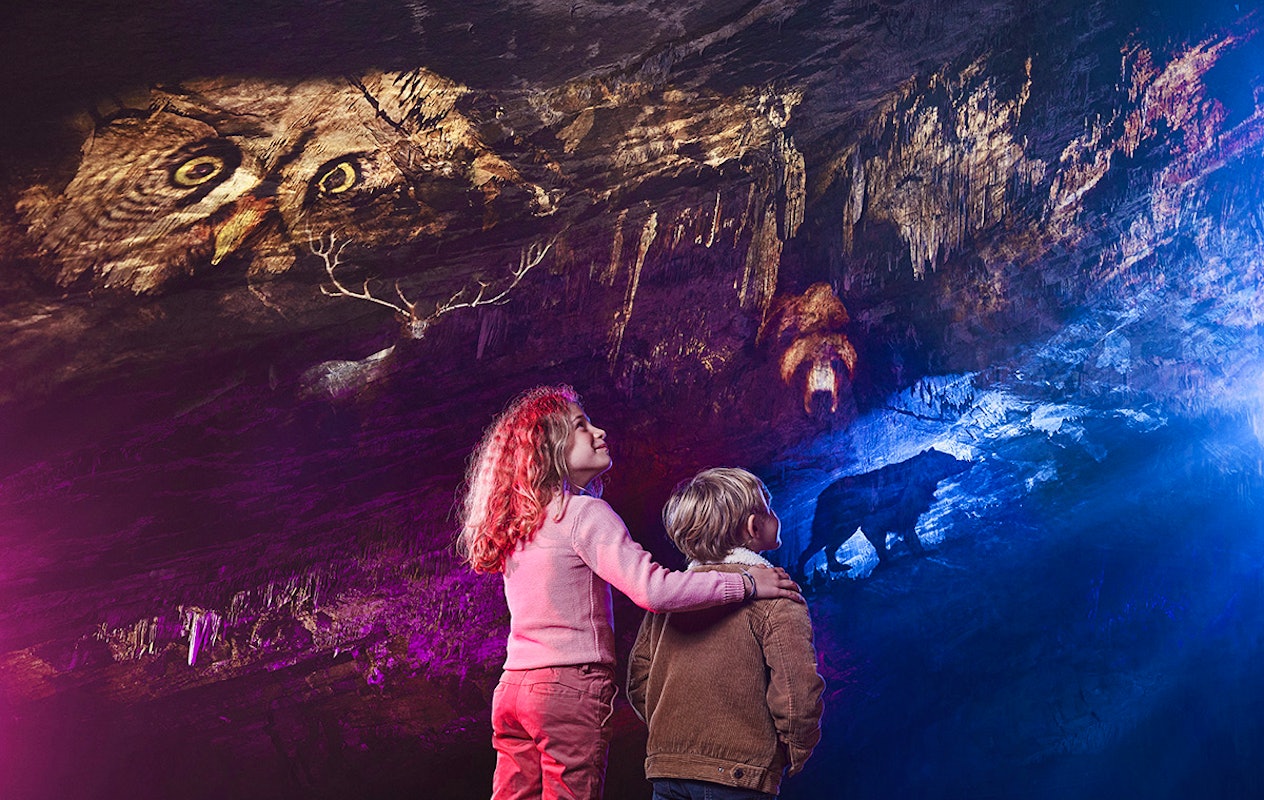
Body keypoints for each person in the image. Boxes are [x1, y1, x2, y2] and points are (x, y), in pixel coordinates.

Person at [455, 386, 802, 800]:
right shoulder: (584, 513)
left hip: (513, 689)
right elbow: (654, 590)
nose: (599, 432)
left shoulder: (520, 522)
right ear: (548, 449)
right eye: (581, 427)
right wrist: (747, 583)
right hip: (567, 688)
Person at [628, 468, 825, 800]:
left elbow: (638, 680)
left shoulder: (672, 598)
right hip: (739, 775)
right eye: (770, 508)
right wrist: (795, 747)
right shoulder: (776, 593)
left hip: (668, 769)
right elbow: (796, 689)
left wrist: (674, 738)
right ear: (754, 526)